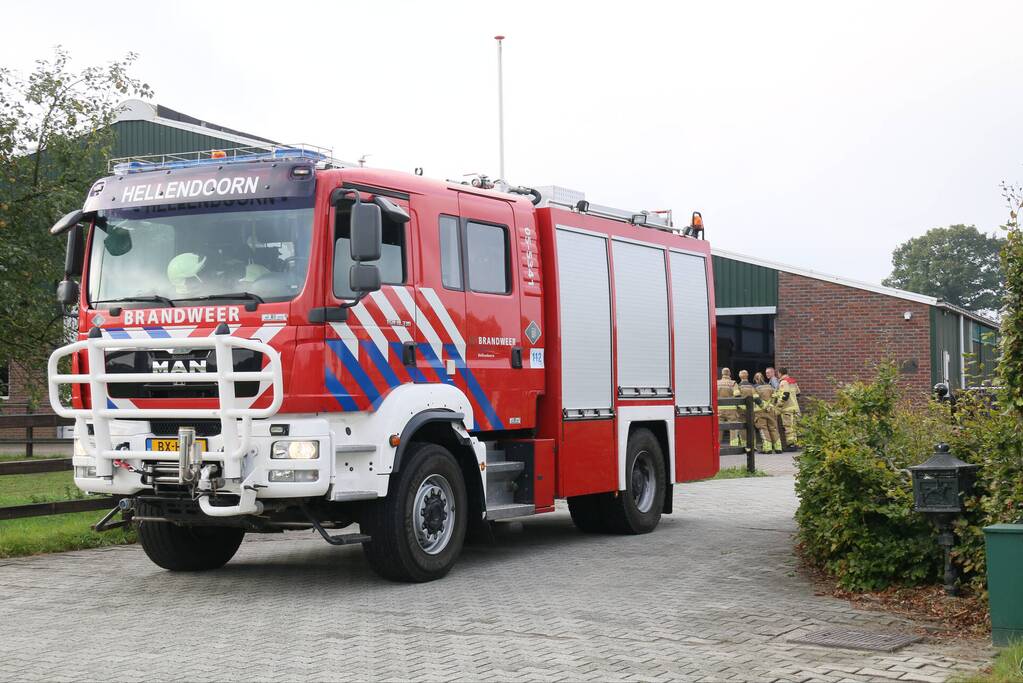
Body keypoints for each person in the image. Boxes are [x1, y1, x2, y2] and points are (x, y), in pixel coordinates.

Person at [753, 372, 782, 454]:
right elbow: (776, 396)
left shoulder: (754, 388)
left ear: (755, 379)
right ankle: (778, 448)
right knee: (773, 428)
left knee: (763, 429)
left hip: (760, 411)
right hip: (771, 410)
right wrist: (771, 405)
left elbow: (756, 399)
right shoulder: (770, 387)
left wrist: (764, 406)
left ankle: (767, 448)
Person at [775, 367, 801, 450]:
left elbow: (785, 395)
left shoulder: (783, 382)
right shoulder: (792, 381)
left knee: (789, 427)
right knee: (795, 427)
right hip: (795, 407)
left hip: (787, 409)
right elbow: (798, 393)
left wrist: (778, 405)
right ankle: (795, 444)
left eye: (778, 373)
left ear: (780, 373)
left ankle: (791, 445)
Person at [717, 368, 739, 446]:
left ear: (722, 374)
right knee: (733, 427)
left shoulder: (717, 383)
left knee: (719, 428)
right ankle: (734, 445)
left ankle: (717, 445)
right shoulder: (733, 383)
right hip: (731, 409)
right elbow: (737, 395)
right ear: (729, 373)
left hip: (719, 409)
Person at [734, 370, 755, 447]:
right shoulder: (752, 386)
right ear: (747, 376)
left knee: (742, 427)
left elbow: (736, 397)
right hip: (751, 409)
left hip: (741, 410)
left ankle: (744, 445)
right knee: (751, 427)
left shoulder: (738, 386)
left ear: (740, 376)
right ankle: (753, 446)